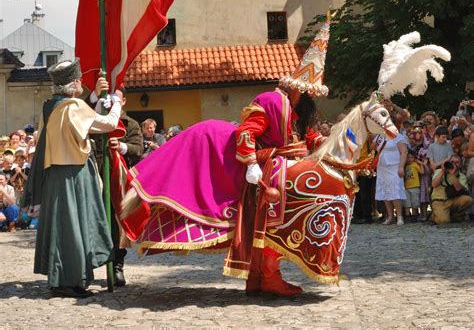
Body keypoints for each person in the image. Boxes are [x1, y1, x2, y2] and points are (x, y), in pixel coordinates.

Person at [124, 21, 331, 298]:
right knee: (276, 218)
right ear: (298, 88)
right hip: (249, 165)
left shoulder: (298, 112)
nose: (311, 98)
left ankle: (262, 277)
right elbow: (246, 134)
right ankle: (268, 275)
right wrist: (252, 166)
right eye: (308, 92)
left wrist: (334, 145)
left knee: (275, 219)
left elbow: (308, 139)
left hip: (275, 168)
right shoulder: (273, 101)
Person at [23, 59, 122, 298]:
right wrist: (117, 102)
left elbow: (84, 125)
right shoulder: (74, 106)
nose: (81, 83)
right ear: (73, 84)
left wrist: (97, 100)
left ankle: (61, 279)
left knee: (62, 228)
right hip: (75, 173)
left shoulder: (49, 107)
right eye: (78, 80)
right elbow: (108, 124)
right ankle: (72, 281)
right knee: (75, 228)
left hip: (55, 175)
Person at [88, 79, 143, 286]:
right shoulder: (95, 118)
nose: (110, 102)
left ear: (124, 101)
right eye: (107, 97)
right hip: (96, 178)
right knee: (95, 220)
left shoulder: (131, 124)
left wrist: (122, 147)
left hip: (120, 180)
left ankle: (118, 265)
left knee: (119, 226)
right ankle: (92, 265)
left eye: (115, 98)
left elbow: (138, 149)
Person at [375, 117, 408, 226]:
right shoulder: (380, 137)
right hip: (382, 166)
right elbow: (374, 149)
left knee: (395, 191)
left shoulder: (397, 137)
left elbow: (404, 152)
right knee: (385, 191)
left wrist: (401, 167)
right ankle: (390, 216)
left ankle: (399, 216)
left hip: (394, 166)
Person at [431, 155, 473, 224]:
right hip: (439, 201)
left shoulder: (461, 176)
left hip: (453, 200)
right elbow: (434, 185)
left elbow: (458, 188)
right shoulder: (439, 171)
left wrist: (453, 174)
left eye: (457, 162)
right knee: (443, 221)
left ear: (460, 165)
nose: (454, 164)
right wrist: (442, 172)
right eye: (452, 162)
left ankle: (455, 216)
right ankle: (434, 215)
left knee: (468, 200)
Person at [402, 149, 424, 220]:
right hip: (406, 187)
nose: (409, 159)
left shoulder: (415, 165)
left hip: (415, 186)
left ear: (414, 158)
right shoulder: (404, 166)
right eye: (408, 157)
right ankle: (407, 216)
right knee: (407, 203)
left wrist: (421, 164)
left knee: (415, 202)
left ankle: (414, 216)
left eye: (411, 157)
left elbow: (422, 172)